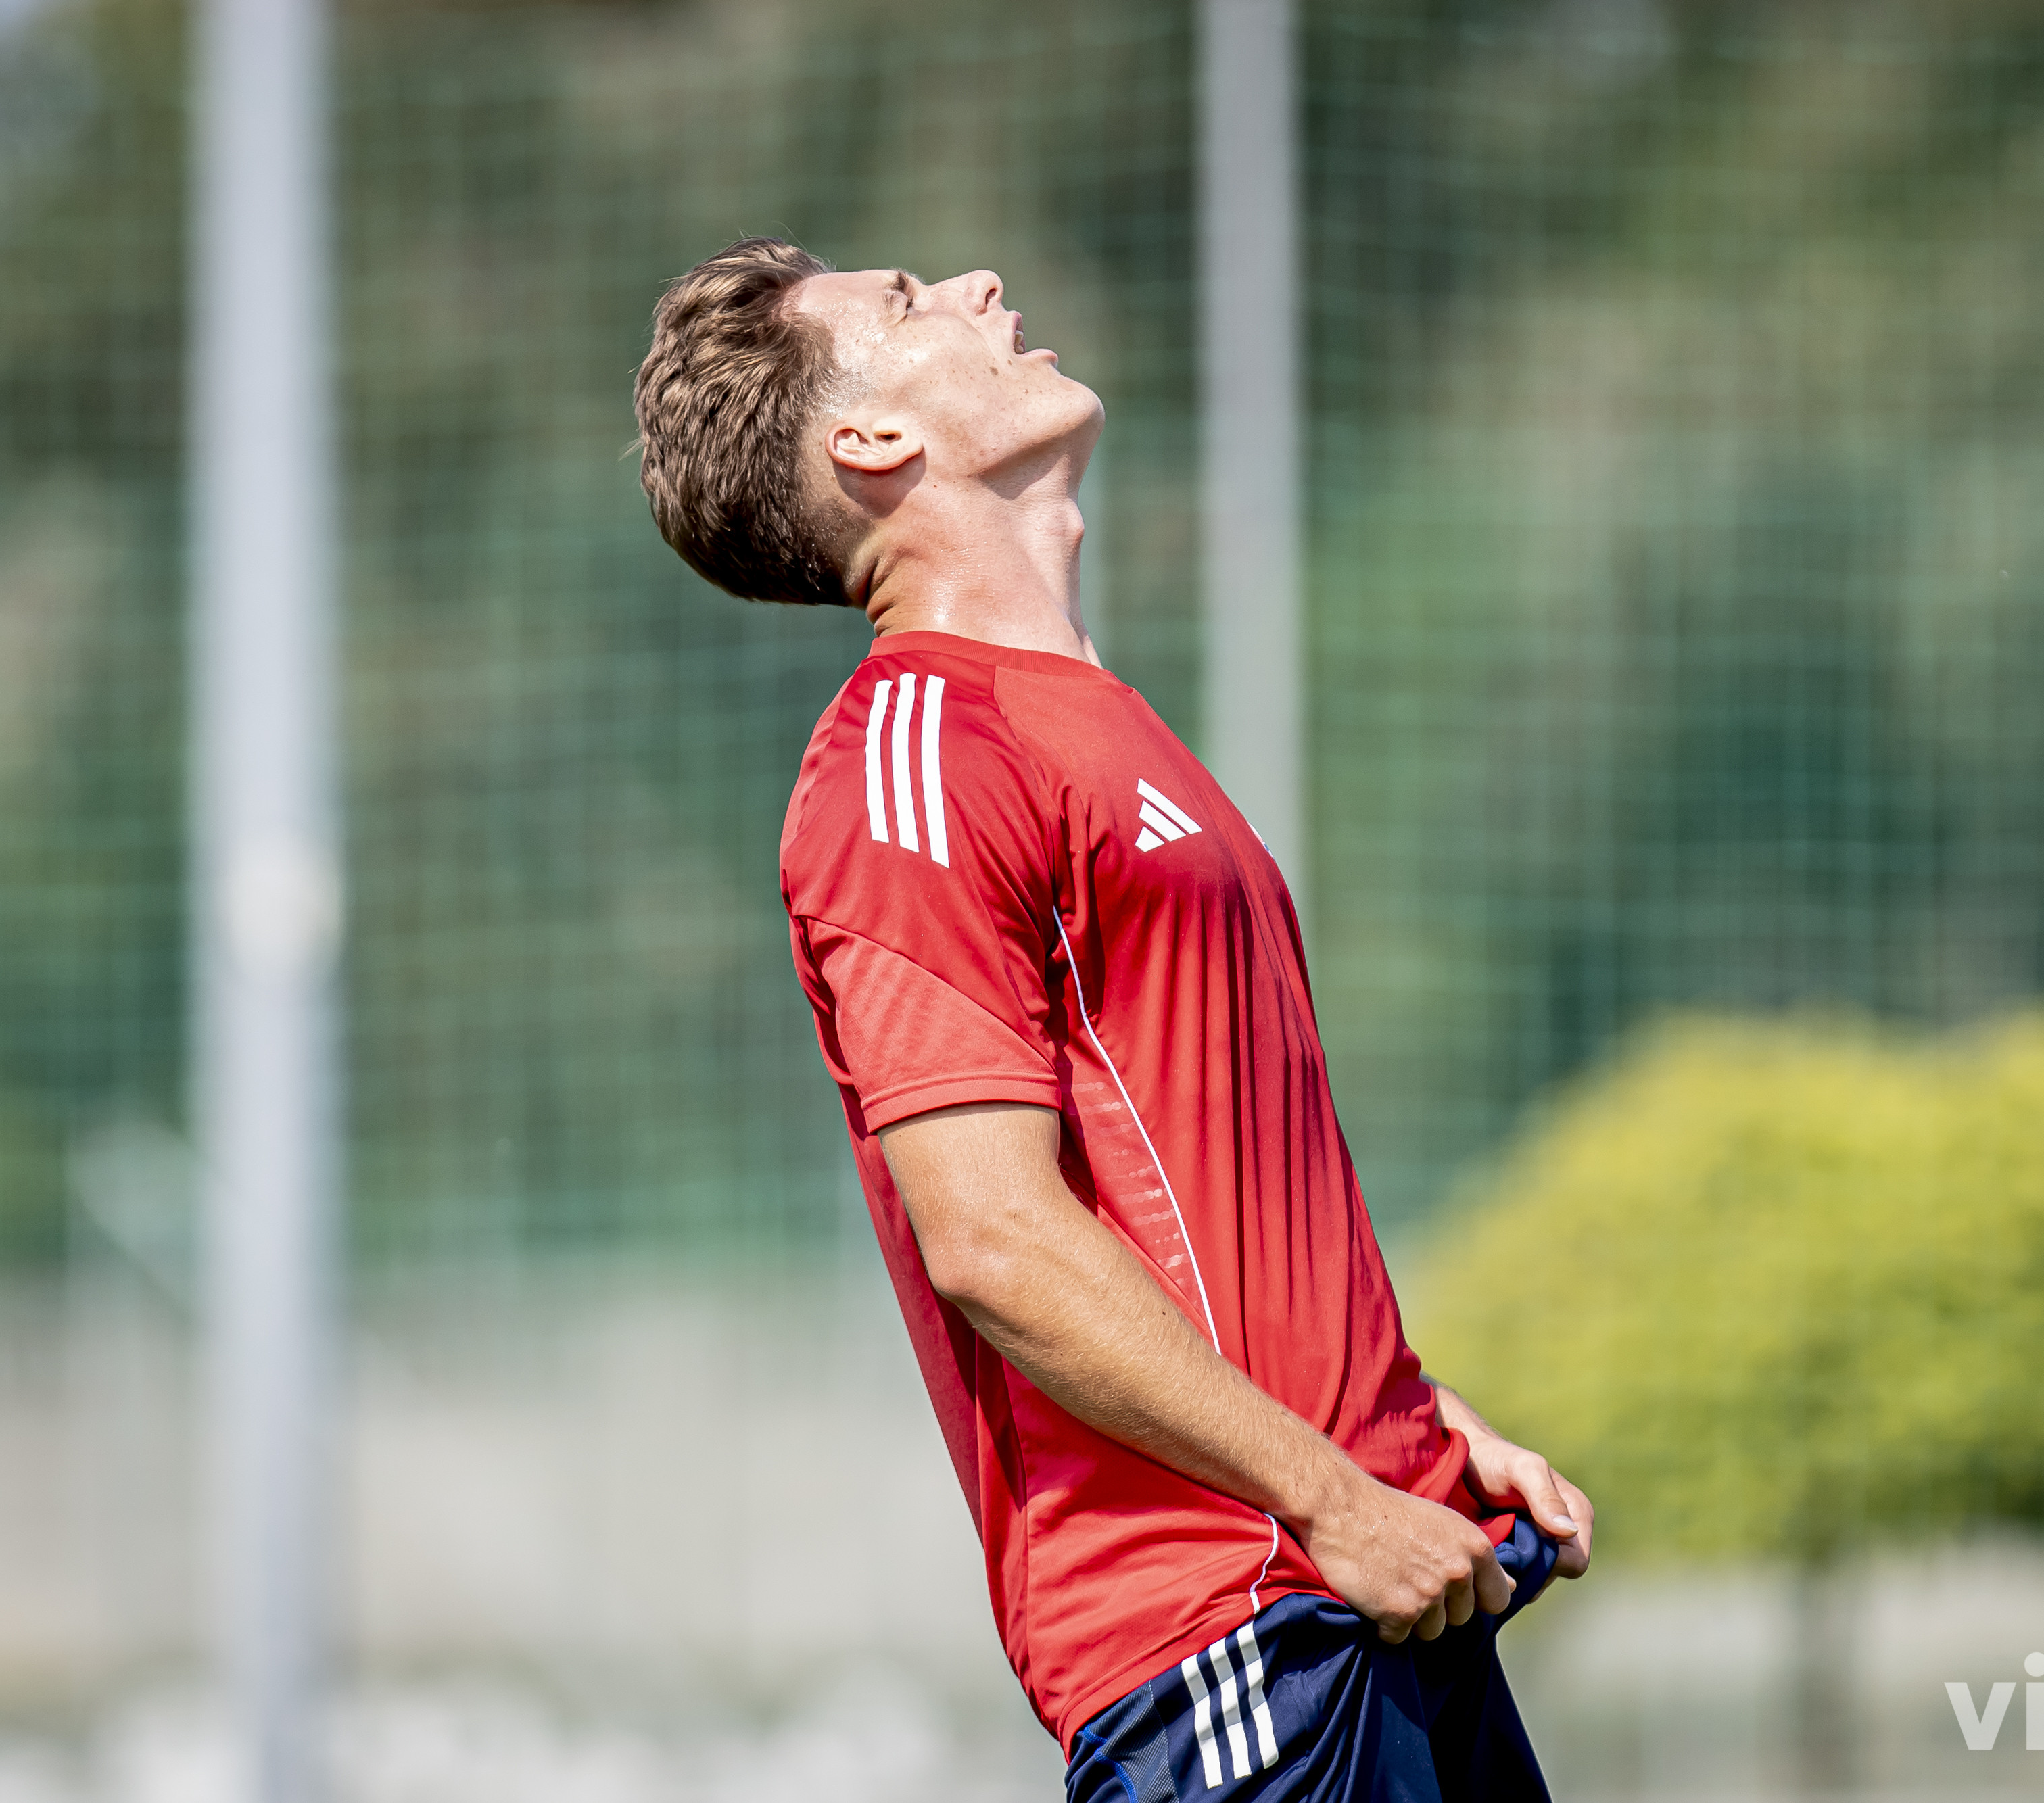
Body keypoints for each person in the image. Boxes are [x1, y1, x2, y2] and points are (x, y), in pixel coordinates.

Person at [632, 237, 1592, 1800]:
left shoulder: (1087, 715)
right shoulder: (912, 758)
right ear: (869, 441)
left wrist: (1404, 1422)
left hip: (1364, 1581)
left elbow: (1201, 1192)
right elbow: (995, 1238)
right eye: (905, 304)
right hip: (1234, 1637)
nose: (974, 284)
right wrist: (1329, 1491)